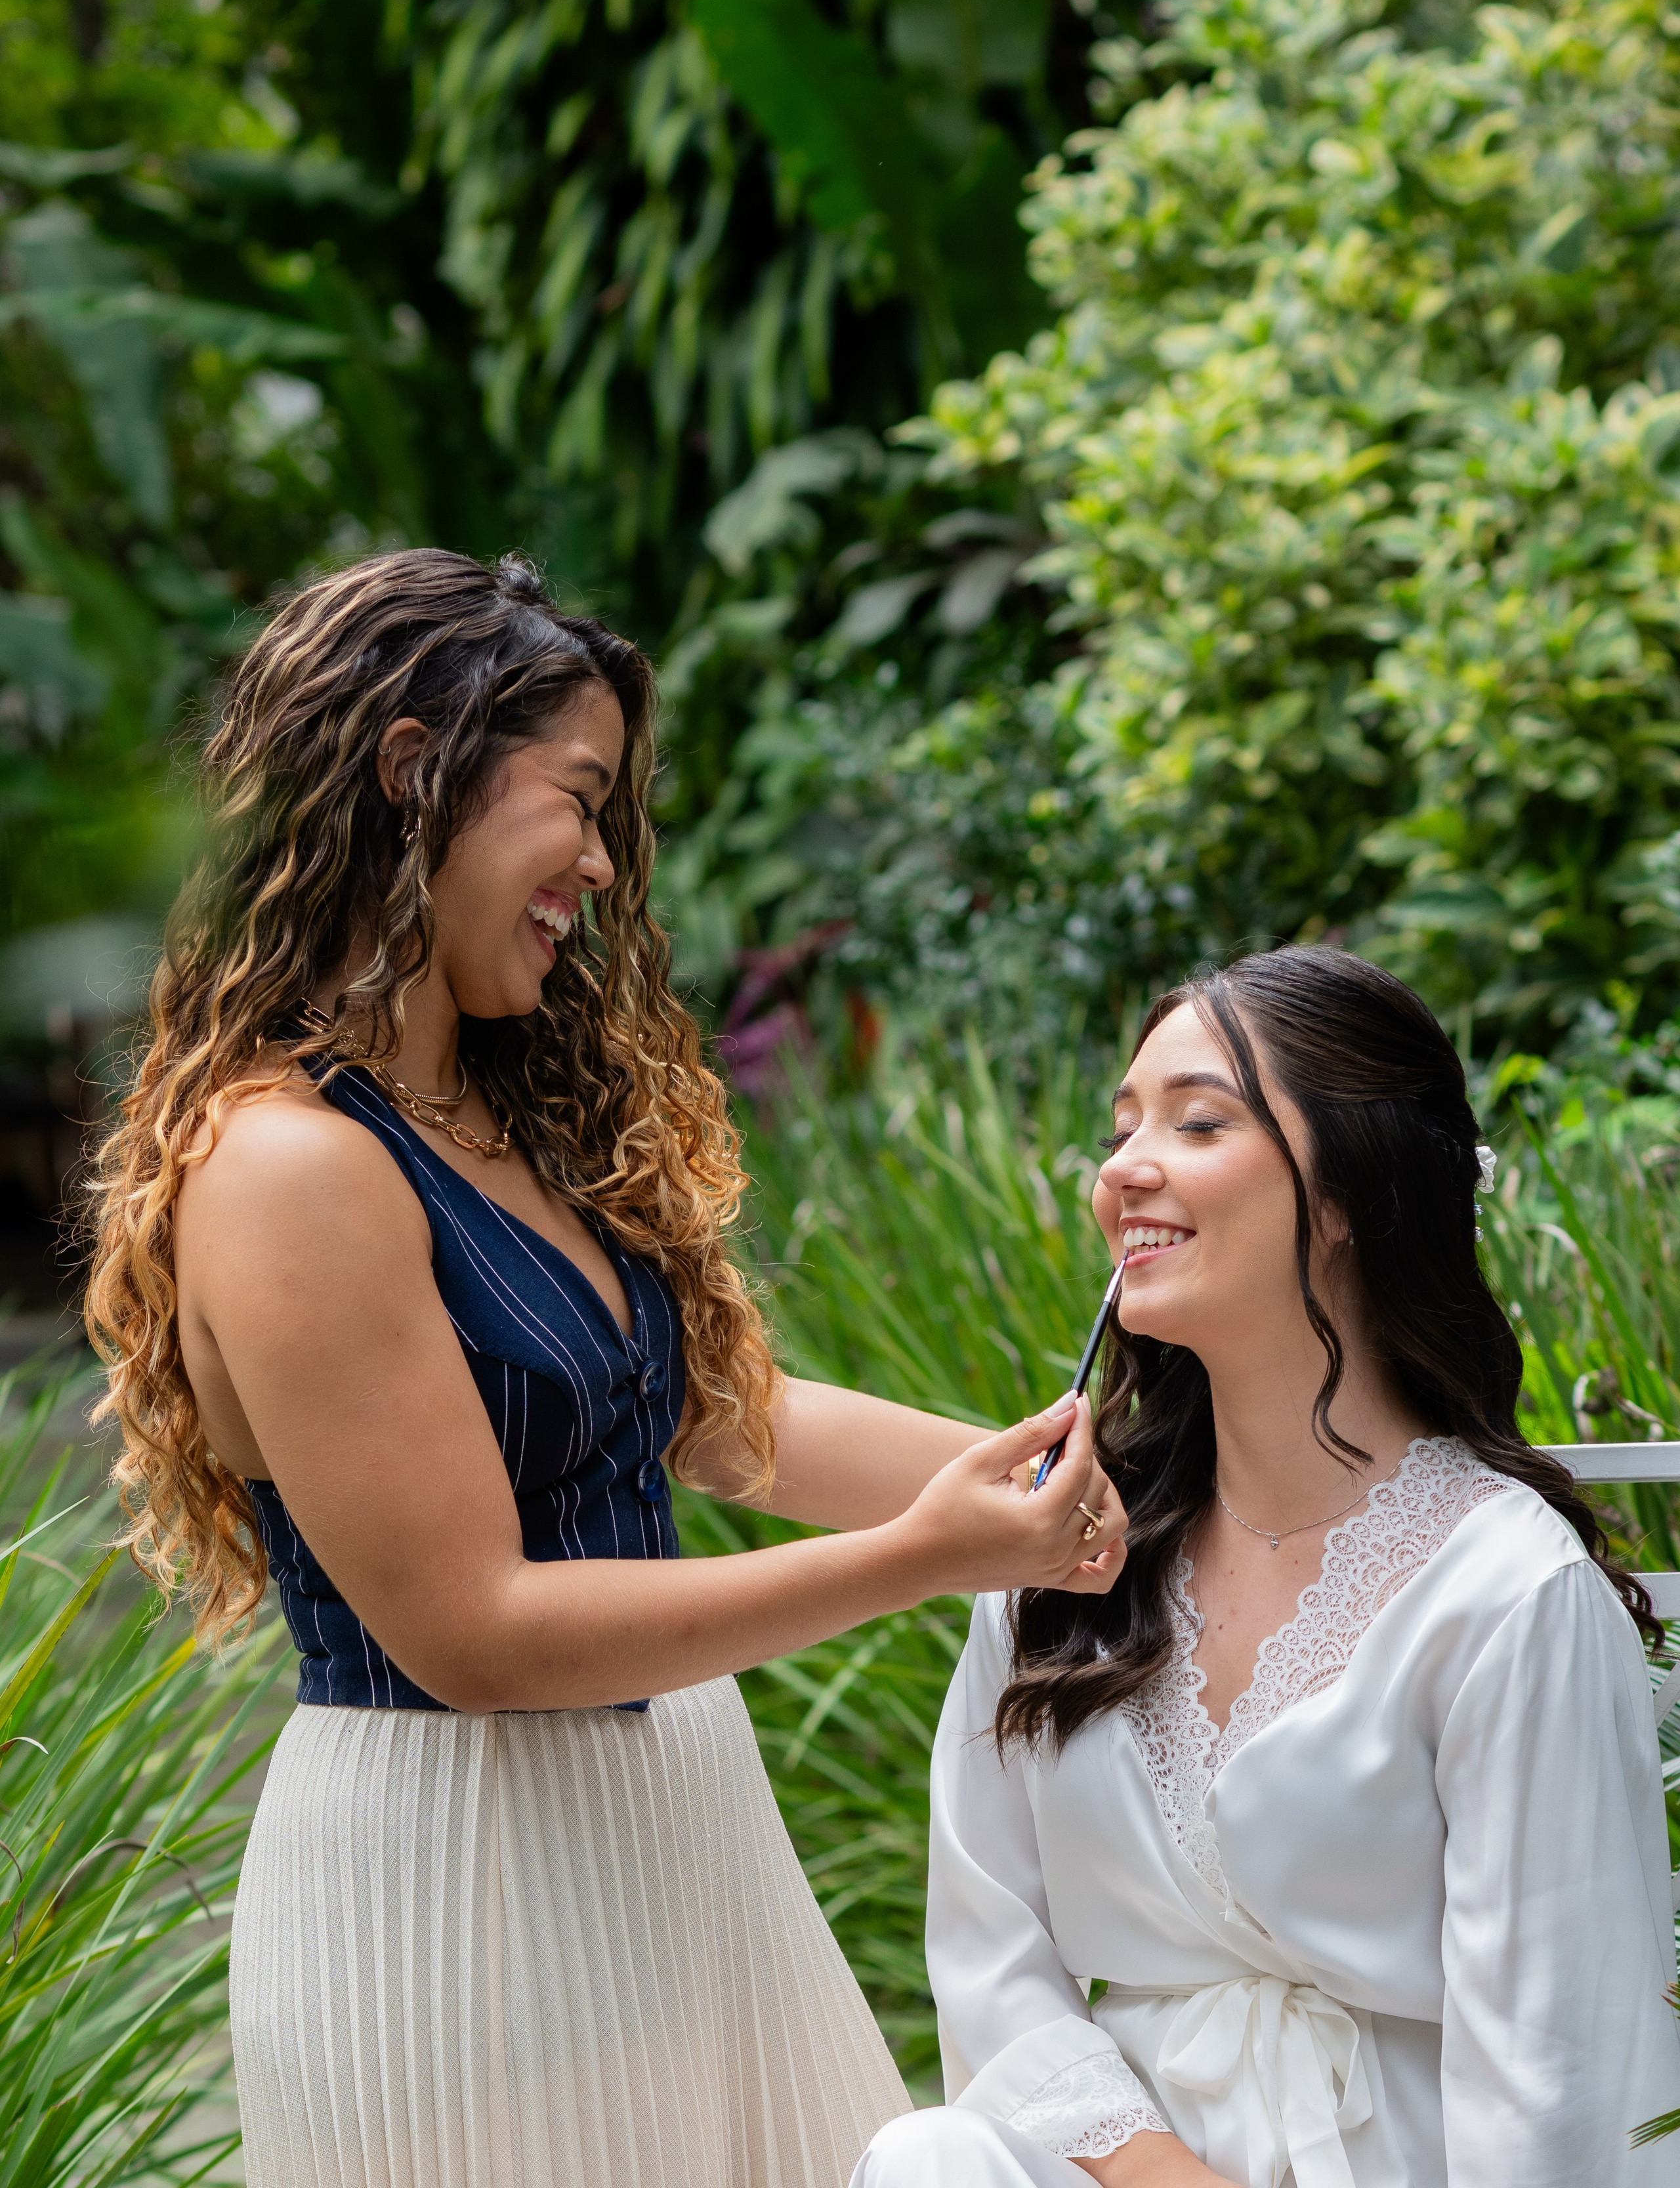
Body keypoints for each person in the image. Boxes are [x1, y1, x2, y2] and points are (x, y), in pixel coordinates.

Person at [82, 547, 1127, 2188]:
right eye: (576, 798)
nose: (599, 860)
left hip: (670, 1835)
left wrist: (1103, 1473)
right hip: (462, 1887)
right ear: (413, 769)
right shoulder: (289, 1166)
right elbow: (475, 1634)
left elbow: (724, 1425)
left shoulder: (507, 1115)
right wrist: (927, 1558)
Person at [854, 946, 1680, 2188]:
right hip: (1119, 2167)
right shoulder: (1059, 1551)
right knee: (931, 2158)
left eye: (1199, 1123)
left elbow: (1561, 2067)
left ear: (1349, 1194)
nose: (1123, 1170)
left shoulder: (1507, 1590)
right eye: (1121, 1129)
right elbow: (990, 1950)